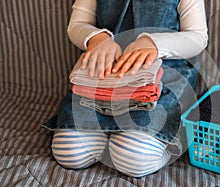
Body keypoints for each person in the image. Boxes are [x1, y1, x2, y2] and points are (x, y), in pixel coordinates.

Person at [44, 0, 208, 177]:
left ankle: (165, 145)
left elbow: (198, 37)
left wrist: (152, 42)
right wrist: (97, 37)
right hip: (104, 77)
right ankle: (107, 138)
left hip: (160, 79)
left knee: (133, 158)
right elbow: (77, 24)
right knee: (69, 153)